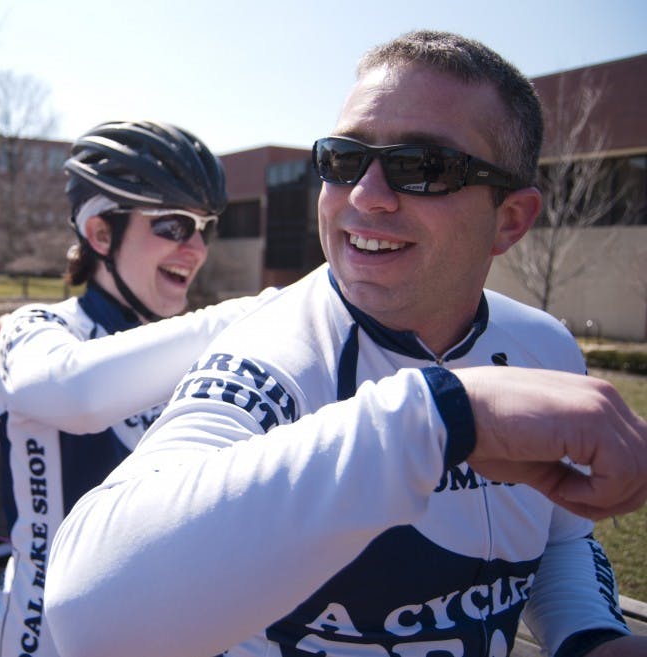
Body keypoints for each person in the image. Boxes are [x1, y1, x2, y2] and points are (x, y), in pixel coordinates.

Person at [43, 31, 647, 657]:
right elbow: (86, 611)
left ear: (511, 220)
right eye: (343, 159)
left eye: (424, 168)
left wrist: (590, 637)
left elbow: (562, 541)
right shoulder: (269, 355)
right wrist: (447, 415)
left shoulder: (544, 347)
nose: (365, 196)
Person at [0, 120, 275, 657]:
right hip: (46, 635)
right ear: (100, 234)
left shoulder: (181, 344)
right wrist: (264, 312)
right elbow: (78, 392)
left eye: (204, 229)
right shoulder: (40, 327)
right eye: (172, 226)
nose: (196, 250)